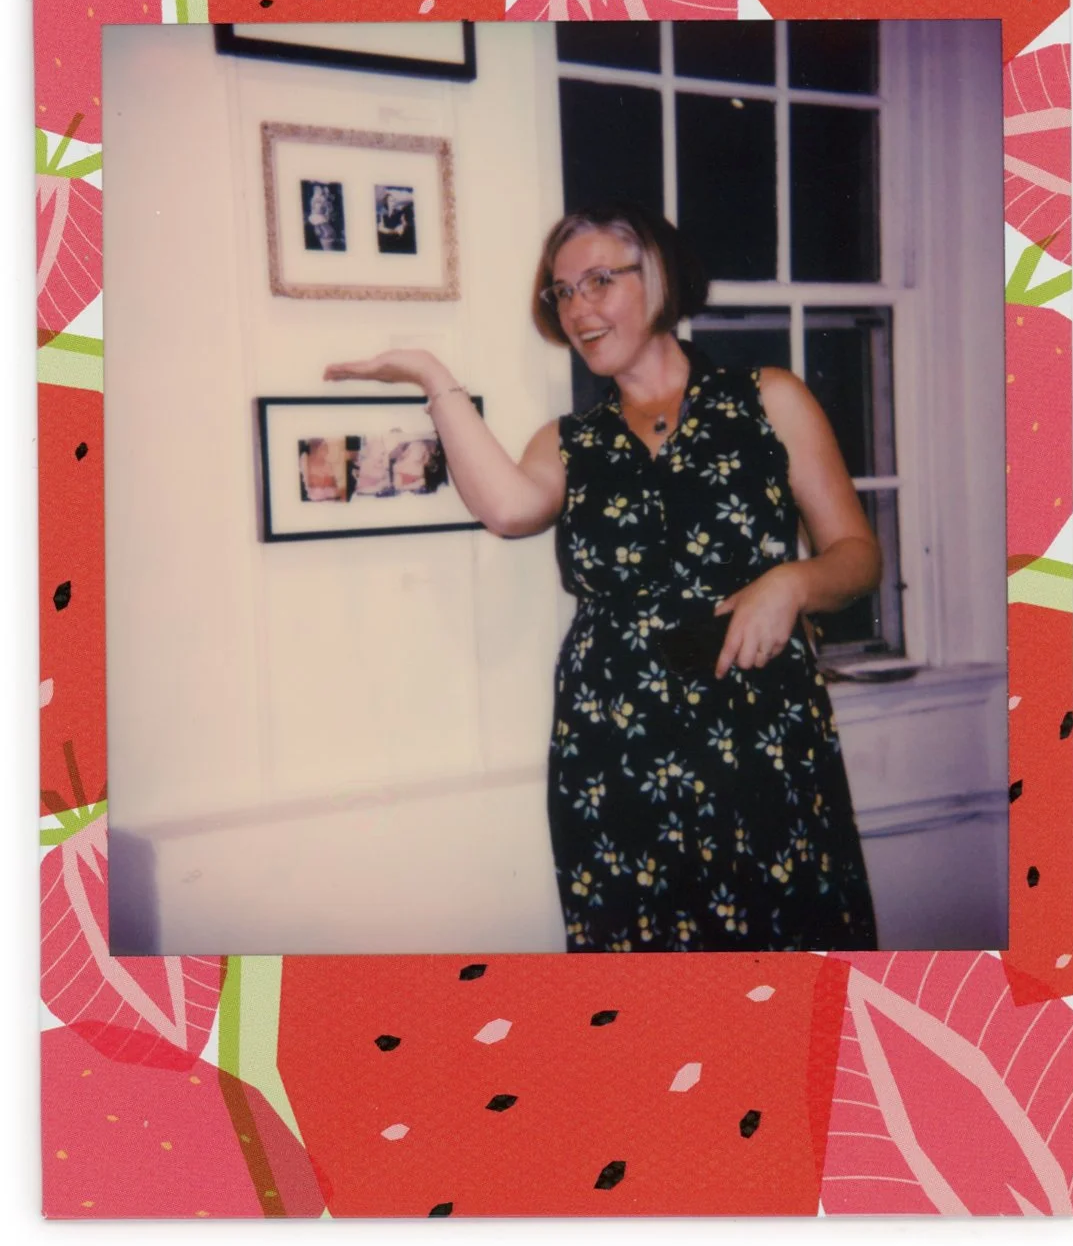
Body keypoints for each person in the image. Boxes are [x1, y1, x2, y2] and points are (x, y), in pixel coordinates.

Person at [324, 202, 879, 953]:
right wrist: (432, 376)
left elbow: (856, 556)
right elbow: (508, 508)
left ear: (656, 277)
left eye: (598, 281)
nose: (579, 309)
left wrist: (791, 583)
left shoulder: (768, 399)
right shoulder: (569, 441)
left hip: (761, 734)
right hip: (615, 747)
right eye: (563, 292)